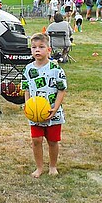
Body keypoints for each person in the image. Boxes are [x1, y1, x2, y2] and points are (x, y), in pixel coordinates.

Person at [22, 33, 67, 178]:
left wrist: (55, 108)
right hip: (35, 113)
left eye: (41, 47)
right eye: (34, 47)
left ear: (49, 49)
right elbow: (27, 89)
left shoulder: (55, 68)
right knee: (36, 140)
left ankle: (53, 166)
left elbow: (62, 89)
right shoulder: (29, 69)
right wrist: (28, 104)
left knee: (53, 141)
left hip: (52, 112)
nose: (37, 50)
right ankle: (39, 167)